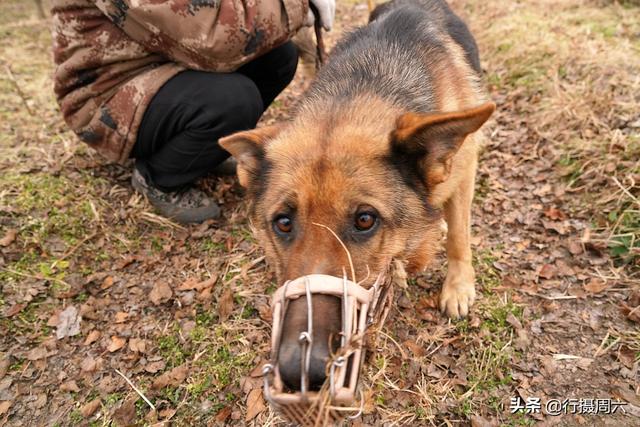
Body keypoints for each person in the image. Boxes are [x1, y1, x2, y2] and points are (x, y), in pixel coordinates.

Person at [51, 0, 335, 223]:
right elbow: (207, 35)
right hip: (106, 92)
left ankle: (201, 152)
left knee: (278, 56)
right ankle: (158, 177)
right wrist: (293, 5)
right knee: (233, 101)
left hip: (163, 59)